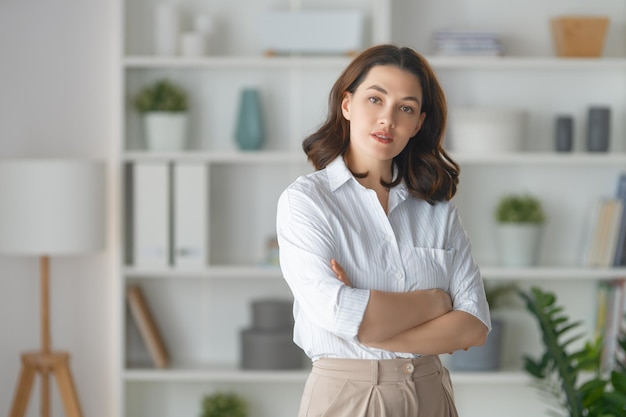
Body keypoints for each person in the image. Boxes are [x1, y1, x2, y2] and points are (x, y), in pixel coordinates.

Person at [276, 44, 491, 417]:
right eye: (375, 99)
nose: (387, 119)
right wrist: (436, 302)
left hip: (431, 392)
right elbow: (337, 311)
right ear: (347, 104)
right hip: (349, 396)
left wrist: (373, 329)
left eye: (405, 108)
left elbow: (473, 326)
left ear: (418, 123)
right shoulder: (306, 202)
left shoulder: (437, 210)